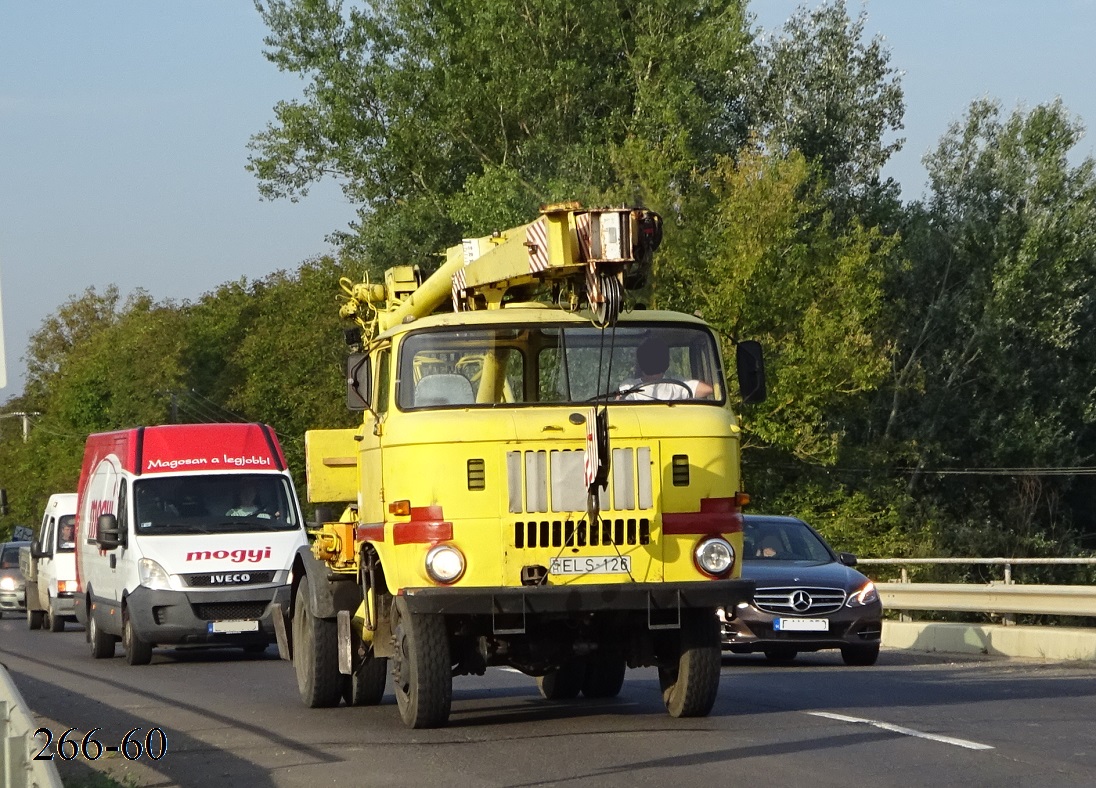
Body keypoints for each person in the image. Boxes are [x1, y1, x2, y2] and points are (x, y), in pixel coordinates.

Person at [620, 336, 714, 401]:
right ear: (666, 363)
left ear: (640, 363)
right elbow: (708, 389)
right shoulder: (678, 385)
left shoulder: (628, 387)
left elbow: (620, 408)